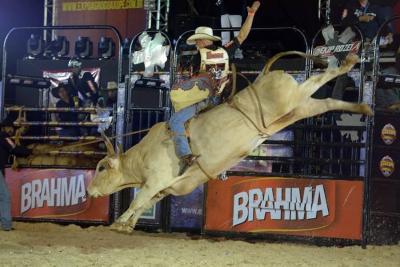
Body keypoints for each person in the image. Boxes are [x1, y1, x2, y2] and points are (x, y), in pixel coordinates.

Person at [169, 1, 260, 175]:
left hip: (203, 100)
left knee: (176, 120)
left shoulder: (198, 56)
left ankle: (186, 155)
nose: (196, 44)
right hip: (221, 98)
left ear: (203, 40)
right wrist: (250, 15)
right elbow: (242, 36)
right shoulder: (225, 51)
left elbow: (192, 83)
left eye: (197, 41)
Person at [0, 115, 31, 231]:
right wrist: (30, 151)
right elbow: (14, 149)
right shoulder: (4, 137)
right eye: (10, 127)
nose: (12, 130)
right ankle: (6, 225)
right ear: (6, 127)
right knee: (5, 196)